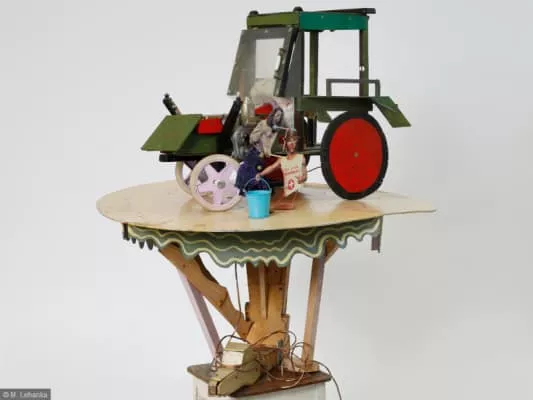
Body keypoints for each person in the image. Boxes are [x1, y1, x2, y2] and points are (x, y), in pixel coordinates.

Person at [255, 128, 307, 210]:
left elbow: (304, 174)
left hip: (294, 196)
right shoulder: (282, 160)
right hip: (285, 194)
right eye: (289, 141)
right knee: (274, 207)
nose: (292, 143)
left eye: (294, 140)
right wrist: (261, 174)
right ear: (285, 143)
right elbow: (272, 167)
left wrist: (302, 178)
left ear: (297, 142)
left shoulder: (301, 158)